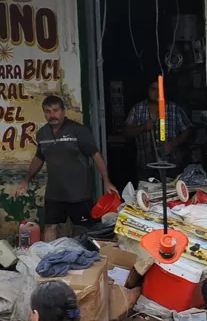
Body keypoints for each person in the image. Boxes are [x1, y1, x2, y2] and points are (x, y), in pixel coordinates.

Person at [14, 95, 117, 240]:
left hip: (79, 194)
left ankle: (90, 260)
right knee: (50, 227)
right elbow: (39, 157)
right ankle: (51, 258)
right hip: (54, 194)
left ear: (63, 111)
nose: (52, 115)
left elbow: (96, 155)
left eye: (55, 110)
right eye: (47, 112)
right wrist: (26, 180)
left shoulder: (78, 131)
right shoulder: (42, 134)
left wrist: (106, 180)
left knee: (85, 230)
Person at [121, 81, 192, 173]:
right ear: (147, 90)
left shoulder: (175, 109)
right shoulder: (137, 109)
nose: (157, 93)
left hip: (171, 166)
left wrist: (173, 143)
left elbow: (187, 131)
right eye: (153, 89)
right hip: (146, 167)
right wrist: (143, 127)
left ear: (165, 91)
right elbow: (126, 133)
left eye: (160, 89)